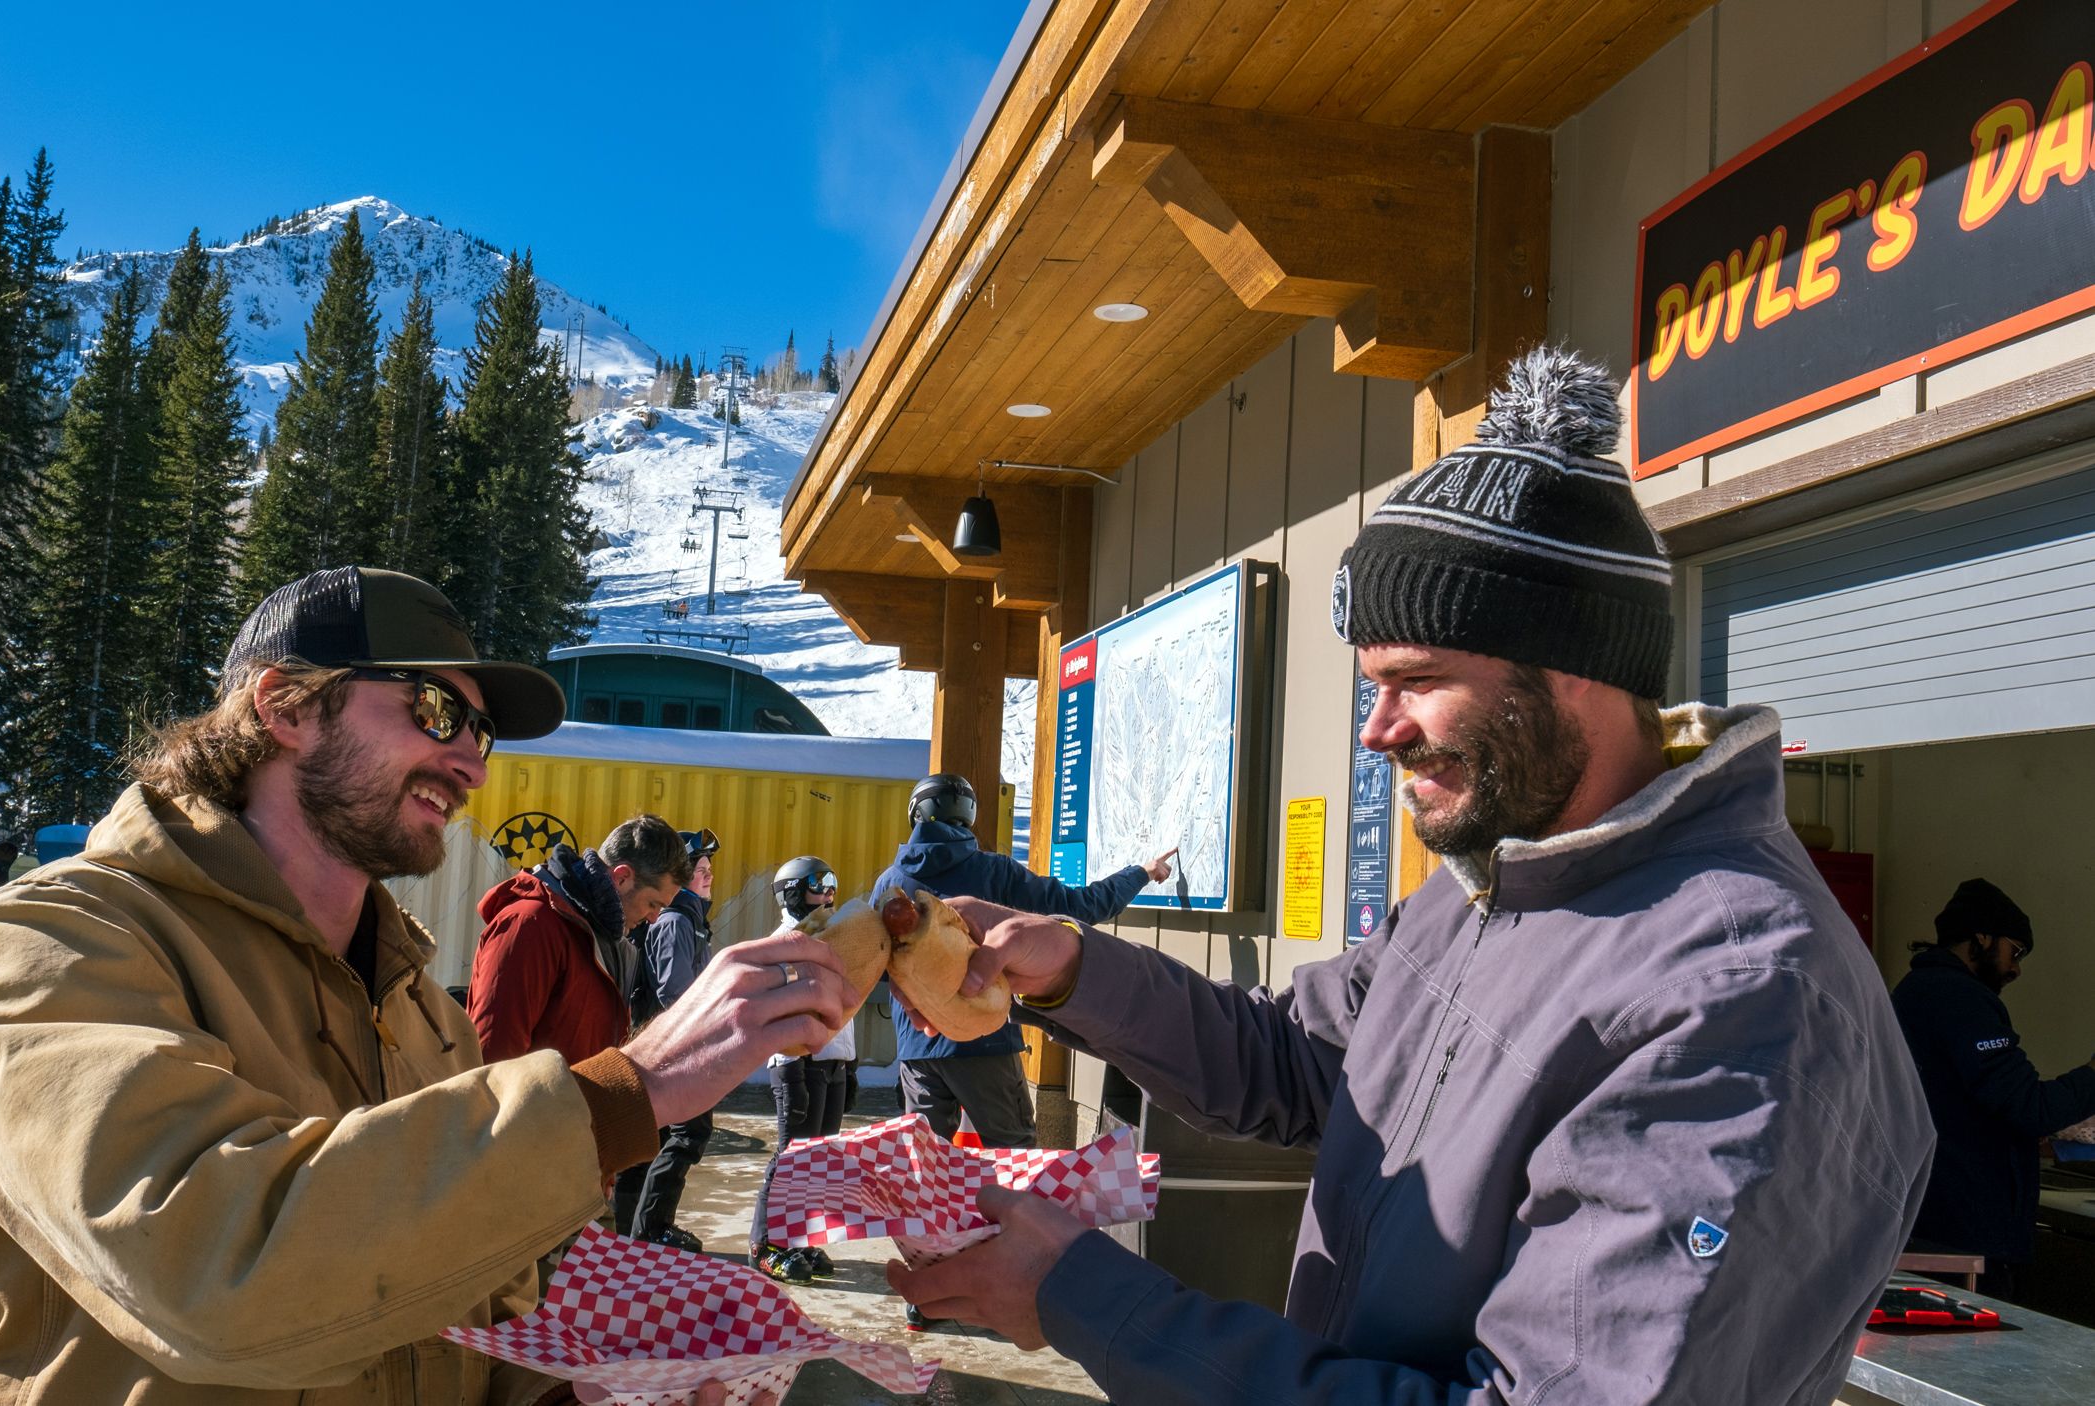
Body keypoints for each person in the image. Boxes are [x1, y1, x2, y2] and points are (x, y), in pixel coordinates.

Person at [883, 348, 1934, 1405]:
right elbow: (1296, 1059)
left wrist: (1085, 1298)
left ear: (1571, 668)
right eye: (1371, 685)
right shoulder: (1492, 881)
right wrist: (1071, 969)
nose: (1378, 729)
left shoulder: (1743, 991)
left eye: (1414, 681)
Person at [0, 565, 846, 1405]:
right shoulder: (56, 943)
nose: (473, 762)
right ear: (283, 705)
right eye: (437, 712)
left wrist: (573, 1393)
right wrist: (629, 1086)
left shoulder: (416, 1004)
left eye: (481, 732)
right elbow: (214, 1271)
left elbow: (459, 1291)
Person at [872, 772, 1172, 1151]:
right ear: (969, 815)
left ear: (915, 814)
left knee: (923, 1162)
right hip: (985, 1042)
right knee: (1013, 1151)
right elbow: (1081, 907)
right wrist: (1141, 873)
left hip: (918, 1048)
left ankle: (927, 1213)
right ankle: (1008, 1213)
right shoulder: (995, 872)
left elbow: (882, 968)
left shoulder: (889, 884)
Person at [1892, 878, 2095, 1300]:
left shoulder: (1915, 991)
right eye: (2014, 951)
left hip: (1928, 1219)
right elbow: (2028, 1107)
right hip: (1964, 1235)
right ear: (1981, 938)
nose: (2016, 967)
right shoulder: (1960, 998)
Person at [468, 815, 688, 1068]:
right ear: (622, 878)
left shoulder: (606, 939)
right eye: (653, 904)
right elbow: (492, 1060)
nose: (653, 919)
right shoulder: (531, 925)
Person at [611, 828, 720, 1249]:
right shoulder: (677, 919)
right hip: (673, 1046)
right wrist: (699, 1038)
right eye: (701, 870)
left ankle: (633, 1232)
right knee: (687, 1133)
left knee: (651, 1140)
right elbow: (675, 991)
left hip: (664, 1043)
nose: (708, 876)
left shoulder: (688, 918)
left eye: (710, 869)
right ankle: (649, 1228)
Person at [752, 854, 848, 1283]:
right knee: (791, 1159)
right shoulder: (782, 945)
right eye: (818, 883)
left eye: (832, 883)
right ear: (792, 892)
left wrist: (850, 1063)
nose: (828, 892)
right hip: (798, 1064)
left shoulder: (831, 938)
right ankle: (767, 1244)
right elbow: (780, 1011)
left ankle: (802, 1239)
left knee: (819, 1161)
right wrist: (793, 1063)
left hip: (831, 1063)